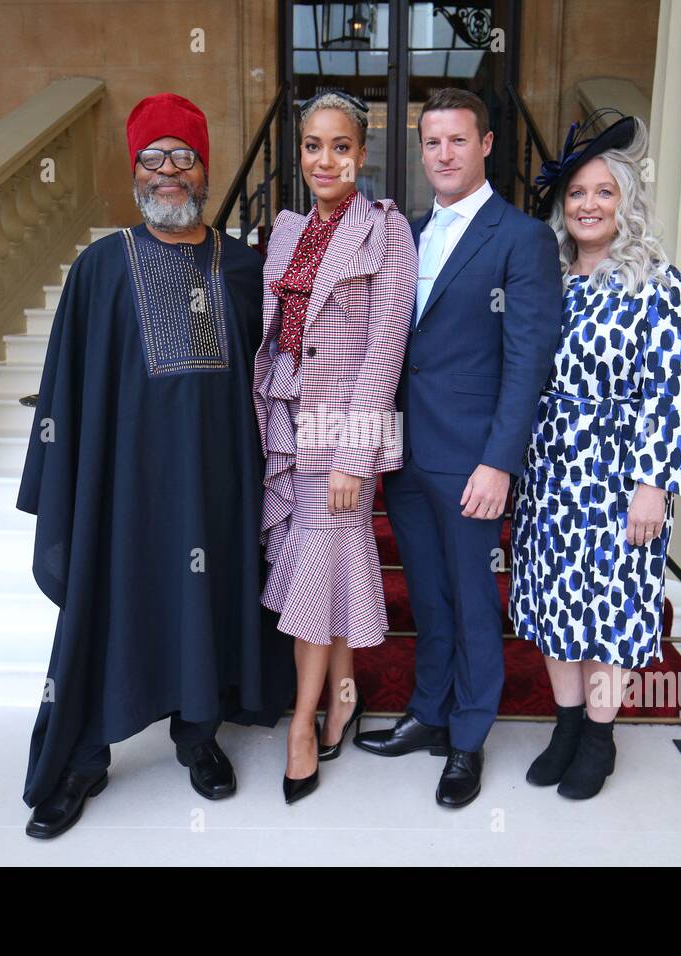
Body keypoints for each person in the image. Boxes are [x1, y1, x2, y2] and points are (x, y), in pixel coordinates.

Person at [17, 92, 292, 838]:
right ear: (135, 171)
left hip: (215, 484)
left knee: (206, 605)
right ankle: (84, 755)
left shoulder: (244, 267)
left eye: (185, 158)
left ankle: (197, 735)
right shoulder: (101, 269)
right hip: (123, 489)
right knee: (111, 607)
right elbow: (68, 385)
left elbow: (275, 377)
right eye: (154, 158)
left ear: (206, 170)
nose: (169, 172)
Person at [353, 88, 560, 809]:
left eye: (457, 141)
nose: (443, 154)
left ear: (487, 146)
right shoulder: (405, 232)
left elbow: (529, 358)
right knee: (432, 598)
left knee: (474, 600)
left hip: (473, 458)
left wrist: (500, 461)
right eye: (431, 142)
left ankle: (468, 739)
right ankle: (430, 711)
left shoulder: (521, 237)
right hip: (405, 452)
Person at [511, 110, 681, 800]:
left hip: (621, 476)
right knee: (555, 603)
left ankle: (599, 736)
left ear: (626, 201)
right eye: (576, 194)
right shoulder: (549, 281)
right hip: (551, 470)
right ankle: (566, 726)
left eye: (604, 192)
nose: (588, 205)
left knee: (611, 609)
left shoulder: (657, 283)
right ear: (562, 208)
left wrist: (653, 483)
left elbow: (672, 390)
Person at [254, 90, 416, 804]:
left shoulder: (387, 233)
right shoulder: (286, 231)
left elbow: (385, 351)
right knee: (320, 573)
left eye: (341, 146)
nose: (327, 159)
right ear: (301, 153)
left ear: (363, 151)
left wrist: (356, 455)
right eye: (314, 146)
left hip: (343, 429)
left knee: (317, 573)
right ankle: (343, 697)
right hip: (289, 419)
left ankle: (301, 725)